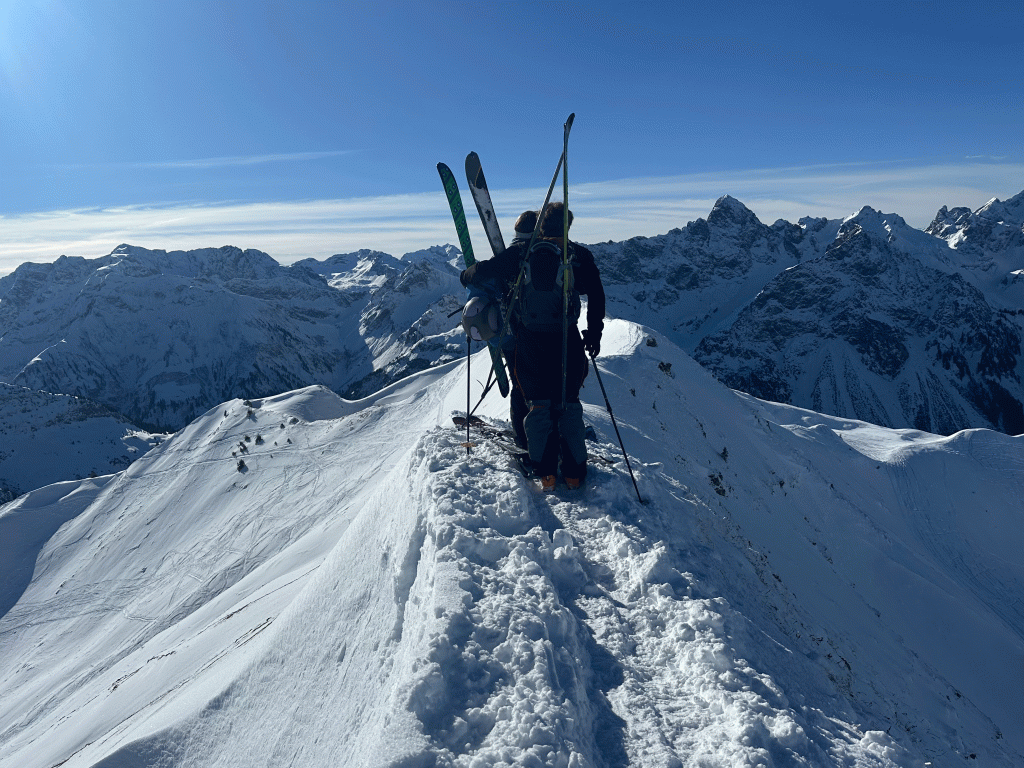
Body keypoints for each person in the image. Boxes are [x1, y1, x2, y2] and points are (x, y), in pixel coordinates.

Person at [461, 202, 605, 491]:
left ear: (541, 226)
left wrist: (467, 274)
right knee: (568, 402)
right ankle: (574, 474)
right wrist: (594, 332)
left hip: (530, 342)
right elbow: (597, 294)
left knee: (538, 403)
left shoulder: (521, 254)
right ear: (567, 226)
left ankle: (545, 473)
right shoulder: (577, 255)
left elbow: (480, 273)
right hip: (567, 339)